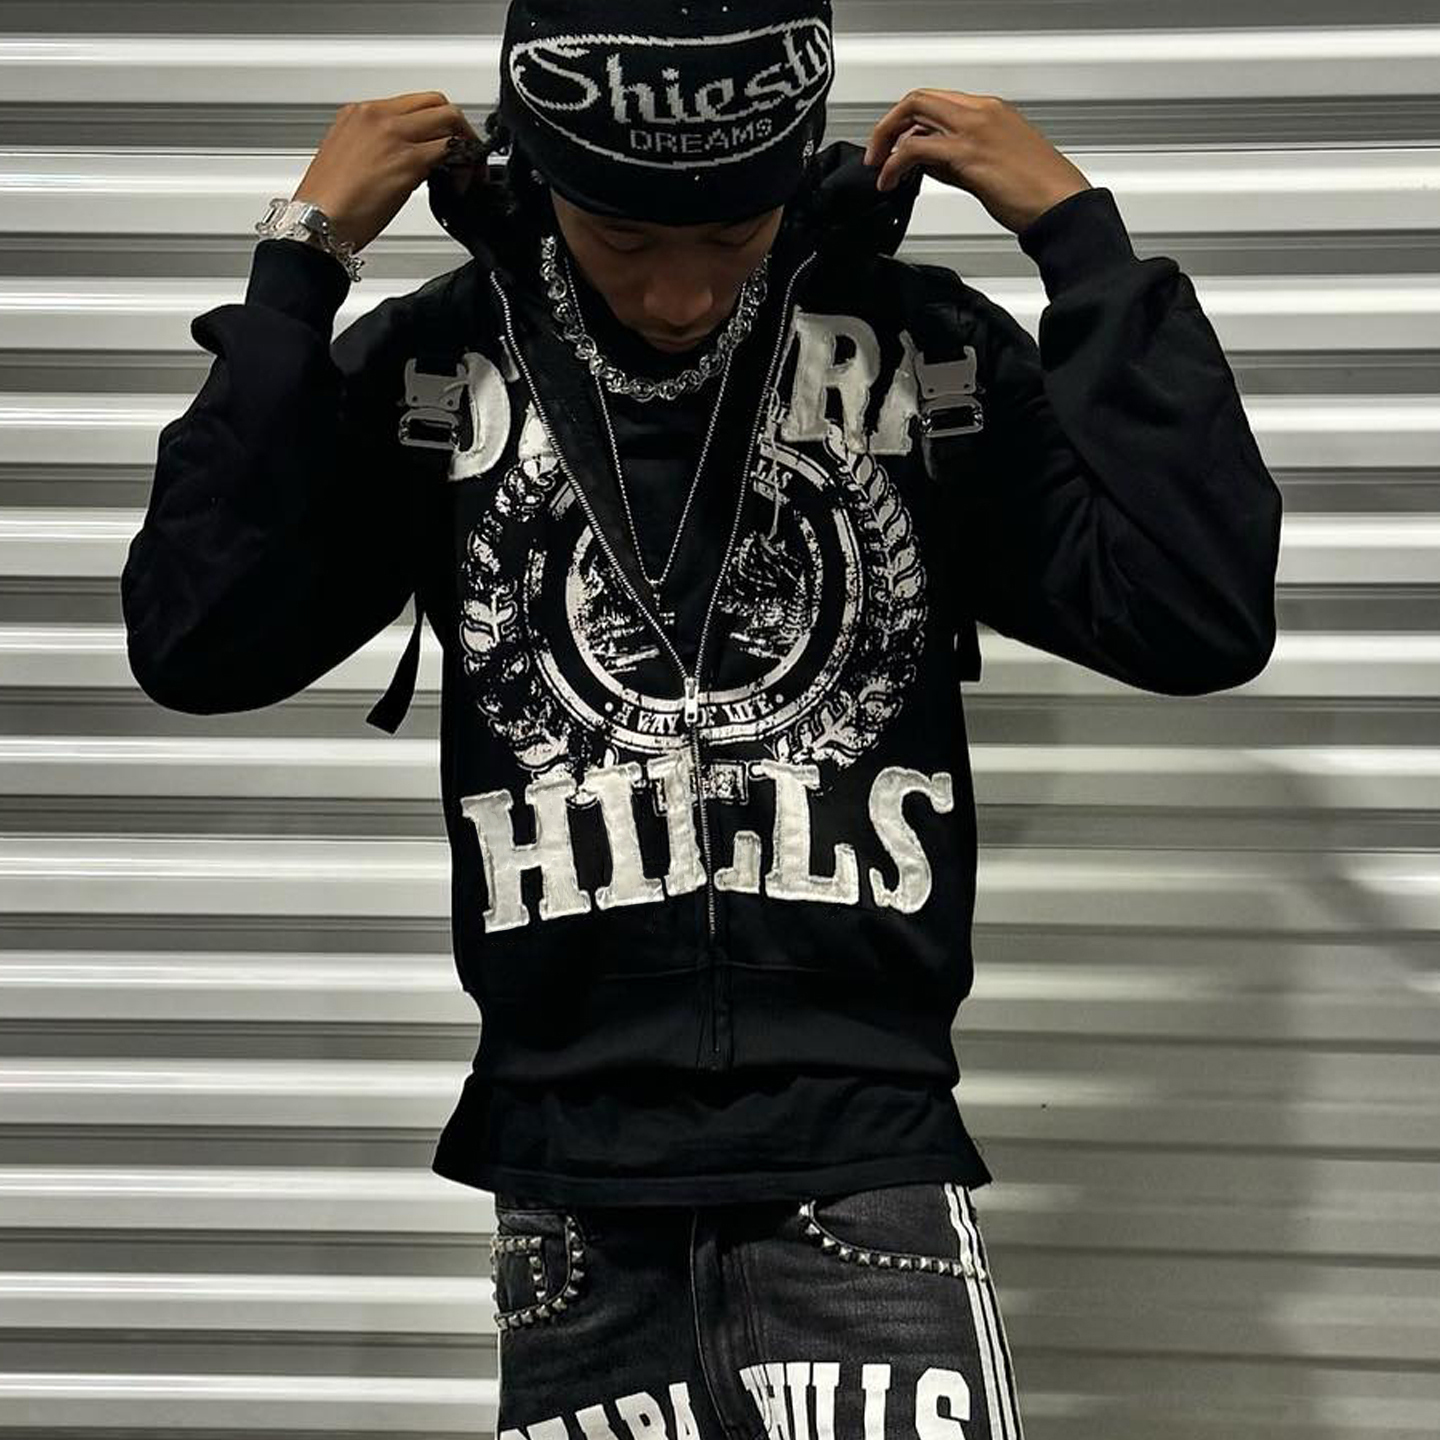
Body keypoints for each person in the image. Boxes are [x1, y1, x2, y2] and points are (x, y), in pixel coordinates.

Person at [120, 1, 1283, 1435]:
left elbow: (1196, 614)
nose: (678, 296)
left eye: (731, 237)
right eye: (624, 240)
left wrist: (1084, 248)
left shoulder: (920, 357)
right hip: (568, 1190)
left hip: (865, 1164)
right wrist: (298, 270)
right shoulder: (440, 372)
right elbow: (196, 641)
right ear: (539, 175)